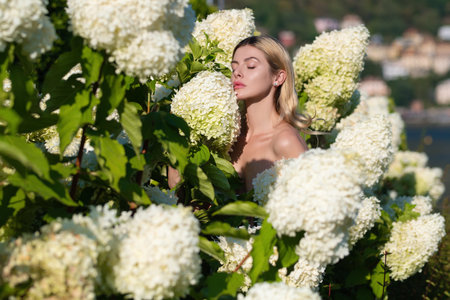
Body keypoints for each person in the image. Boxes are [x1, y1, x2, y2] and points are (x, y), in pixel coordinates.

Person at [229, 35, 311, 191]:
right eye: (234, 67)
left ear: (278, 77)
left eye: (251, 66)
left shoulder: (286, 141)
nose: (237, 73)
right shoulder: (228, 138)